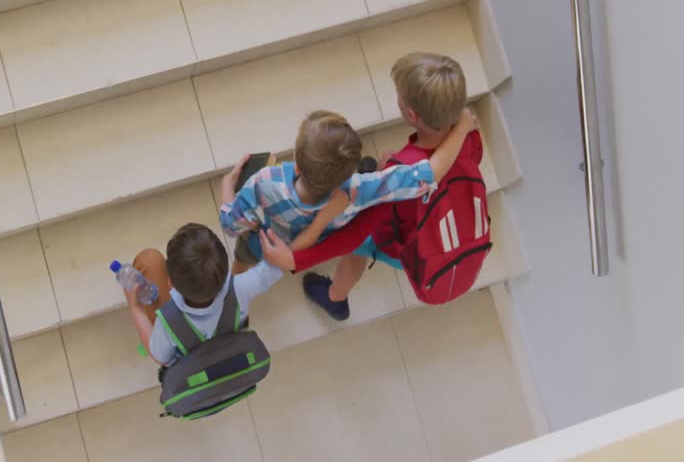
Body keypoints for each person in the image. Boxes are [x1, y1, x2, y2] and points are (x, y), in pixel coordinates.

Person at [259, 52, 477, 319]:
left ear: (410, 114)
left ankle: (335, 298)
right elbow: (445, 170)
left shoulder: (400, 181)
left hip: (417, 251)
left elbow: (352, 235)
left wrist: (295, 260)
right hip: (455, 243)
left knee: (357, 244)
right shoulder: (467, 136)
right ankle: (336, 297)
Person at [218, 103, 473, 318]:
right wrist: (461, 127)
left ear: (297, 166)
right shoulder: (358, 188)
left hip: (264, 242)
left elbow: (230, 225)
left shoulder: (265, 181)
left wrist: (227, 184)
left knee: (244, 255)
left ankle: (232, 300)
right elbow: (426, 175)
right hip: (322, 236)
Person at [124, 223, 281, 366]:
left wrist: (136, 309)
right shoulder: (242, 287)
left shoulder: (167, 324)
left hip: (189, 353)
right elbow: (279, 265)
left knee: (149, 258)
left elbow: (160, 357)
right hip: (226, 342)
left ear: (170, 283)